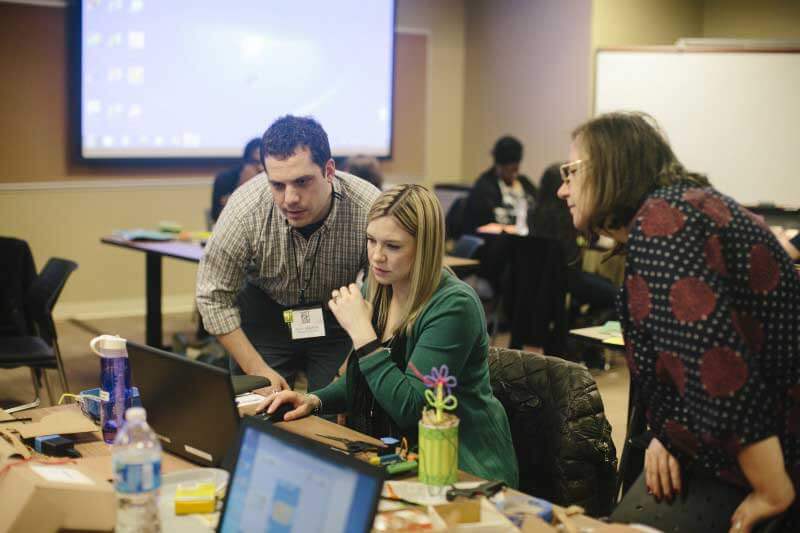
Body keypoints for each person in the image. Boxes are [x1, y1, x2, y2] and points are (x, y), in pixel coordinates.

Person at [557, 111, 799, 532]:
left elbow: (717, 365)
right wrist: (668, 435)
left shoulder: (664, 223)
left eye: (571, 172)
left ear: (612, 167)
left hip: (768, 456)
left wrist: (771, 489)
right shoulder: (680, 209)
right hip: (729, 445)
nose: (562, 189)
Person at [264, 185, 519, 487]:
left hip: (460, 467)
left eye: (393, 246)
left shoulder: (454, 306)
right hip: (399, 455)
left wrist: (362, 334)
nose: (377, 257)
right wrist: (313, 400)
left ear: (424, 246)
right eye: (371, 241)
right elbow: (365, 382)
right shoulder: (378, 290)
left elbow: (412, 408)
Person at [196, 115, 381, 394]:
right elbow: (212, 296)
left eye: (302, 182)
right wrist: (256, 370)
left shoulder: (368, 207)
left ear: (329, 171)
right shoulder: (245, 209)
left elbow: (386, 290)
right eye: (278, 185)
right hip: (265, 314)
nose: (289, 199)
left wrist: (349, 366)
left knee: (340, 412)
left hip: (336, 317)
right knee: (263, 415)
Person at [531, 163, 617, 317]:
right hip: (568, 278)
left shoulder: (534, 214)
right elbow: (592, 240)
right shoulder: (570, 217)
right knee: (616, 295)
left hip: (538, 279)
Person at [461, 135, 538, 235]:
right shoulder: (484, 188)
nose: (514, 174)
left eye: (516, 169)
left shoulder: (525, 184)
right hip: (496, 243)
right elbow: (481, 226)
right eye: (510, 169)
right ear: (499, 165)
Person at [210, 138, 263, 223]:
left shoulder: (272, 179)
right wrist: (242, 187)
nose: (261, 168)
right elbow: (215, 216)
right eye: (255, 162)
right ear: (245, 162)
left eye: (263, 162)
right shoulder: (224, 179)